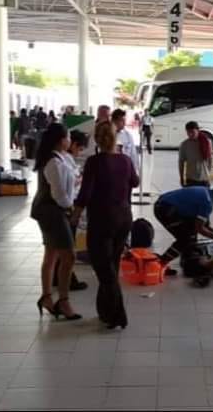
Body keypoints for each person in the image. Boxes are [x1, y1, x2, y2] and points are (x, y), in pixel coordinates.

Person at [72, 122, 139, 329]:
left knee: (104, 269)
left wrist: (75, 215)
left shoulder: (94, 162)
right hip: (123, 217)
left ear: (97, 139)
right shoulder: (126, 160)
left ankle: (118, 314)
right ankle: (105, 311)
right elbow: (135, 182)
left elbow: (85, 193)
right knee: (112, 264)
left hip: (102, 219)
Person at [30, 123, 82, 321]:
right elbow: (59, 195)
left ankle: (47, 297)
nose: (70, 140)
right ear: (62, 140)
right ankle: (63, 299)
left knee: (51, 254)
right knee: (68, 256)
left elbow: (69, 180)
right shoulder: (53, 162)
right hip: (52, 212)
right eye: (68, 137)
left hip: (52, 210)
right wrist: (71, 208)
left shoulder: (61, 158)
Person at [154, 184, 213, 275]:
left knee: (191, 233)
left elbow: (200, 216)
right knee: (185, 239)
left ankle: (189, 262)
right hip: (165, 209)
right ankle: (160, 264)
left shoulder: (206, 191)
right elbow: (199, 228)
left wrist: (207, 226)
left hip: (163, 203)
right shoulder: (207, 202)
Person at [52, 129, 89, 291]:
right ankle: (65, 279)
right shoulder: (59, 161)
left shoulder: (65, 158)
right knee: (67, 247)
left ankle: (57, 277)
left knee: (61, 247)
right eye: (79, 148)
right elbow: (65, 185)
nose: (78, 152)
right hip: (65, 205)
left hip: (67, 203)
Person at [179, 121, 212, 187]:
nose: (190, 134)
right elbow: (181, 163)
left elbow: (210, 159)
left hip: (204, 179)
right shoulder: (184, 144)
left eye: (192, 132)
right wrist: (182, 178)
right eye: (188, 132)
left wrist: (208, 174)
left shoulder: (206, 142)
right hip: (191, 179)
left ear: (198, 130)